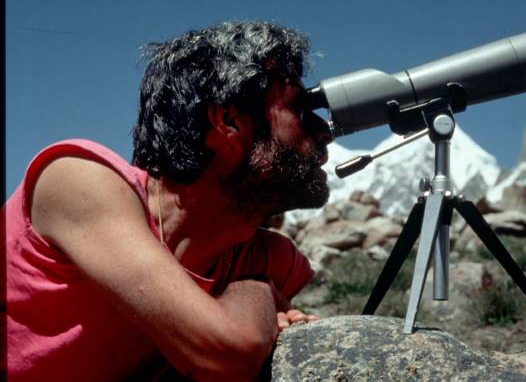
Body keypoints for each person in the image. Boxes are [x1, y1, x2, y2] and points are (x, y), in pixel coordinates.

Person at [5, 21, 332, 381]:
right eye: (299, 109)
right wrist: (257, 287)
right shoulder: (76, 182)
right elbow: (227, 353)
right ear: (228, 121)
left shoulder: (276, 260)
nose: (324, 132)